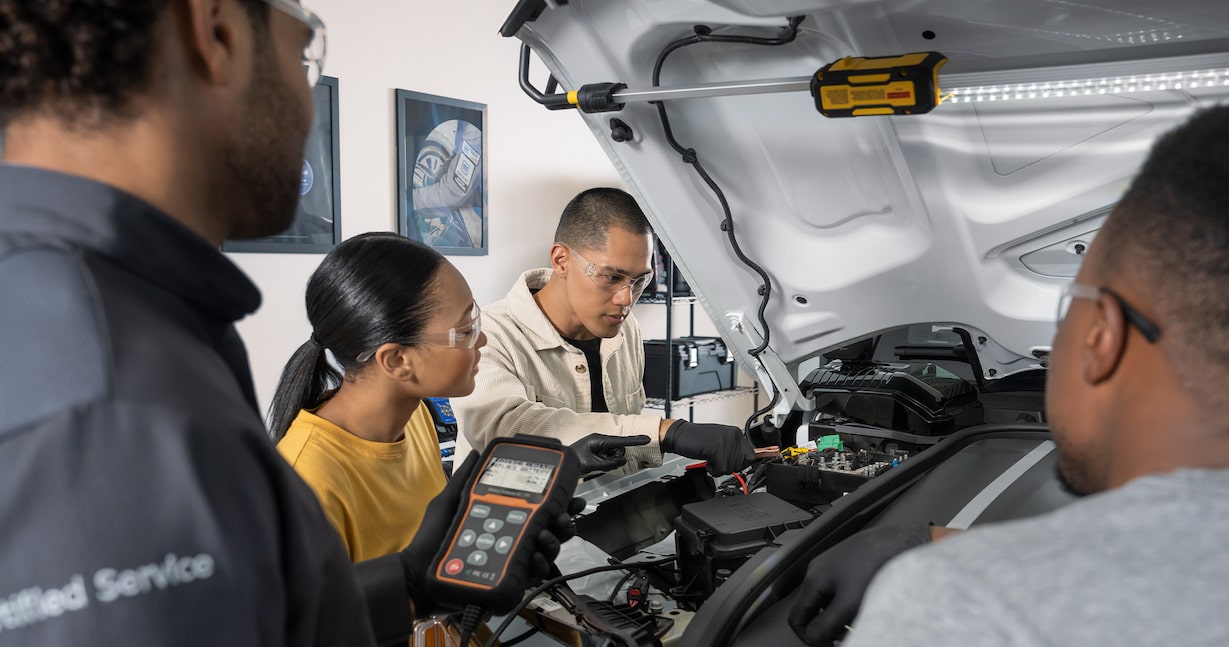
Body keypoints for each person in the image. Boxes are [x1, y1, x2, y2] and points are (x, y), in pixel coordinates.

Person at [0, 2, 575, 645]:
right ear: (214, 32)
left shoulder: (125, 322)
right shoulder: (102, 380)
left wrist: (414, 582)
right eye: (304, 56)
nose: (306, 107)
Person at [787, 101, 1229, 645]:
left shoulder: (964, 608)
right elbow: (1193, 564)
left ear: (1100, 336)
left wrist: (952, 573)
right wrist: (937, 542)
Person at [449, 187, 756, 476]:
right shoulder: (489, 336)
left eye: (639, 280)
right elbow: (507, 428)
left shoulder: (625, 330)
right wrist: (666, 432)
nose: (626, 298)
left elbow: (621, 444)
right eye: (611, 277)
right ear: (561, 260)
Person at [267, 232, 482, 563]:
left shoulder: (415, 416)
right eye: (466, 331)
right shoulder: (308, 481)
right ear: (397, 360)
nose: (483, 341)